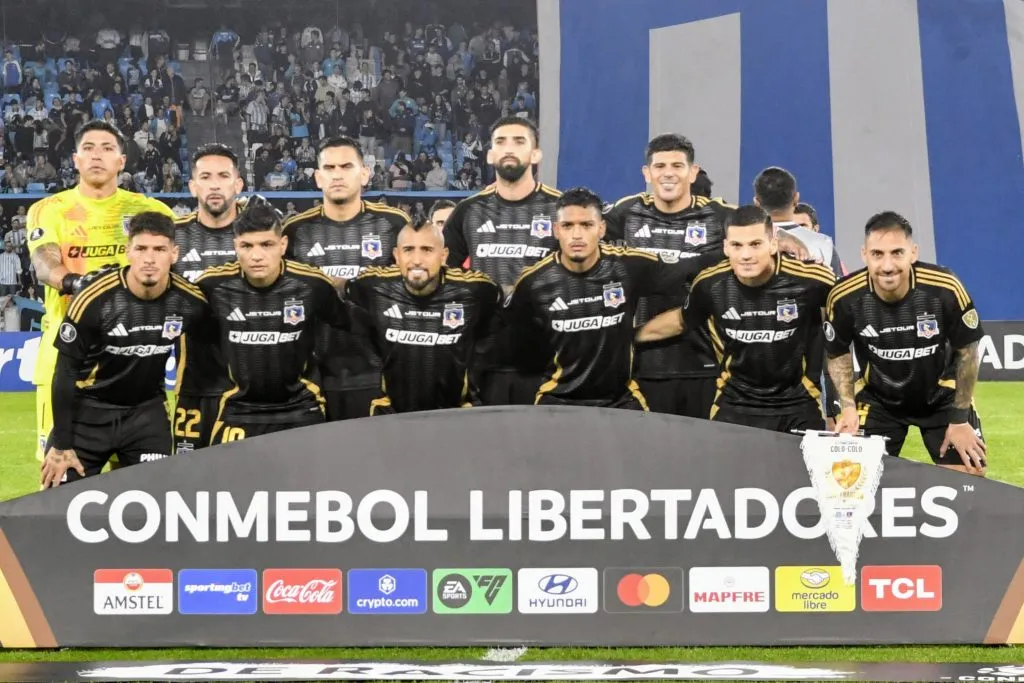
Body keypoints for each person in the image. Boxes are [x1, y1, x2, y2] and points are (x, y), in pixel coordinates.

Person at [27, 120, 177, 464]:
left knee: (141, 490)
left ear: (122, 161)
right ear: (76, 160)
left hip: (134, 364)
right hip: (67, 359)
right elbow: (44, 263)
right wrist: (78, 285)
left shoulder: (151, 211)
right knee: (62, 480)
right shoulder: (50, 209)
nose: (97, 155)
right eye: (89, 148)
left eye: (108, 148)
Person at [505, 187, 717, 409]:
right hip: (557, 397)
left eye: (587, 225)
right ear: (556, 230)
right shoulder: (534, 282)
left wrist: (728, 253)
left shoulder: (627, 266)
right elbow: (519, 346)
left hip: (620, 399)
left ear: (602, 229)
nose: (577, 235)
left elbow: (684, 270)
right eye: (568, 226)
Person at [40, 212, 208, 487]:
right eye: (141, 248)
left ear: (174, 254)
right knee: (54, 505)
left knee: (154, 506)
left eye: (159, 249)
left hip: (145, 413)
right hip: (88, 411)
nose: (150, 259)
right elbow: (65, 372)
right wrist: (61, 445)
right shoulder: (94, 298)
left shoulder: (190, 301)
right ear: (128, 251)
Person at [638, 205, 835, 433]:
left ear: (773, 244)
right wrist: (629, 337)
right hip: (734, 403)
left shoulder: (813, 280)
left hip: (799, 404)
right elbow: (681, 320)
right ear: (725, 247)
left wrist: (839, 406)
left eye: (755, 244)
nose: (746, 255)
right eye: (737, 245)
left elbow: (844, 328)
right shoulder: (710, 284)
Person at [195, 199, 370, 444]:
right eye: (247, 245)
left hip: (301, 408)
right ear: (235, 246)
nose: (257, 255)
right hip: (239, 408)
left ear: (283, 244)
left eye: (267, 244)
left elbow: (356, 325)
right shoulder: (213, 286)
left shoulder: (312, 284)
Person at [825, 211, 986, 474]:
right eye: (877, 254)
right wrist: (848, 408)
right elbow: (838, 352)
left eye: (897, 253)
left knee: (970, 473)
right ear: (864, 254)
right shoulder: (845, 296)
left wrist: (958, 420)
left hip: (940, 395)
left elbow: (968, 353)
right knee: (853, 478)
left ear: (913, 253)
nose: (887, 265)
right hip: (879, 399)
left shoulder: (944, 287)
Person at [284, 136, 410, 422]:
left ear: (364, 173)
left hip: (377, 372)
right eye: (329, 168)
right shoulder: (294, 231)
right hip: (313, 376)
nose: (337, 174)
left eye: (346, 166)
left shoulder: (393, 225)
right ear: (318, 177)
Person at [443, 116, 562, 406]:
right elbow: (445, 279)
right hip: (483, 357)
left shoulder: (561, 208)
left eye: (519, 141)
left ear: (536, 154)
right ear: (490, 155)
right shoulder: (468, 211)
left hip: (548, 357)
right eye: (500, 142)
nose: (509, 148)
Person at [346, 221, 501, 414]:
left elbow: (497, 322)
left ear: (444, 256)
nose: (417, 260)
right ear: (396, 256)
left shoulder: (475, 289)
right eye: (408, 250)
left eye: (427, 250)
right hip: (391, 413)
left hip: (457, 413)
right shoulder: (372, 285)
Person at [170, 144, 245, 453]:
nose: (214, 184)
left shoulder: (260, 236)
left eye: (223, 176)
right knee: (191, 486)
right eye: (206, 176)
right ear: (192, 185)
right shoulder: (172, 238)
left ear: (238, 184)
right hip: (194, 388)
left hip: (253, 389)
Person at [753, 167, 844, 275]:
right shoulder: (823, 243)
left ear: (756, 203)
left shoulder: (741, 242)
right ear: (796, 199)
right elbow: (837, 289)